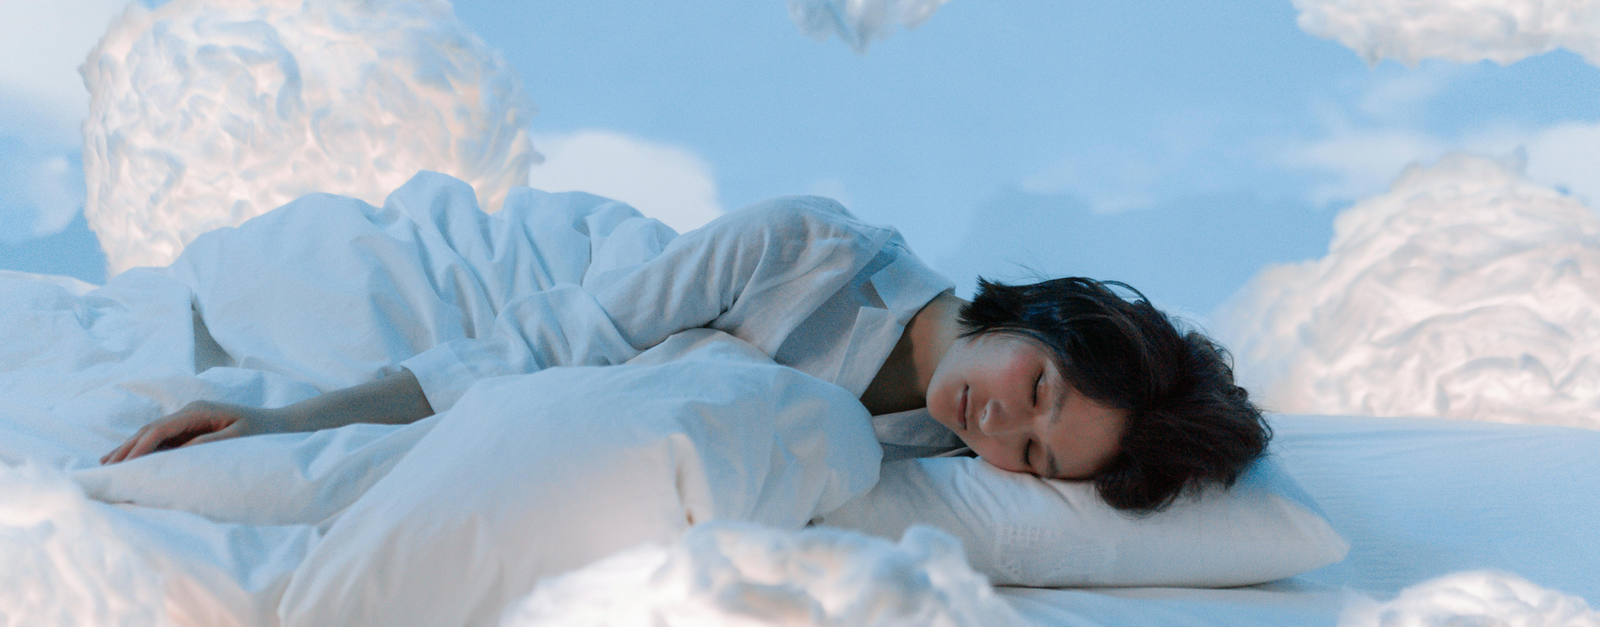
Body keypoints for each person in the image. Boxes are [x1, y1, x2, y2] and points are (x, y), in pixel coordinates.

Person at [101, 191, 1269, 513]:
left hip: (609, 399)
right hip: (559, 298)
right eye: (1040, 391)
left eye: (1043, 460)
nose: (1000, 431)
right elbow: (556, 335)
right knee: (315, 289)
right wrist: (293, 423)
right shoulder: (810, 248)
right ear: (1044, 322)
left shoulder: (942, 460)